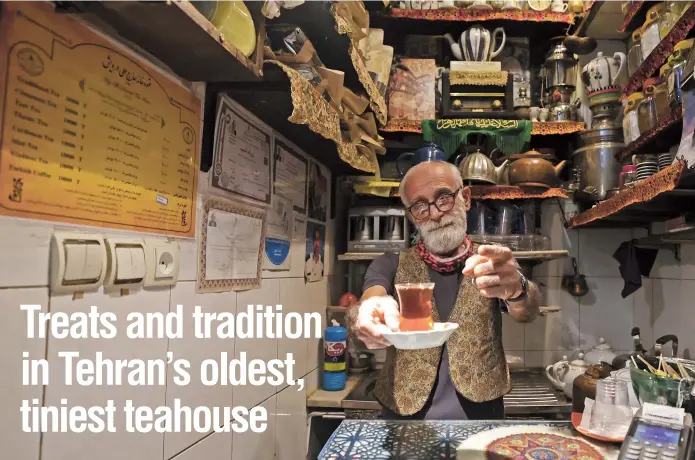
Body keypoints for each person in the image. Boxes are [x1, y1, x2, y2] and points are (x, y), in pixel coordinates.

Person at [348, 161, 541, 420]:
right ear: (411, 216)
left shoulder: (491, 261)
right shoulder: (390, 263)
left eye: (443, 198)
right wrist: (364, 314)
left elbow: (527, 312)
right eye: (420, 206)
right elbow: (369, 301)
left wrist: (519, 288)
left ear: (466, 198)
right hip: (405, 416)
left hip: (481, 413)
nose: (435, 213)